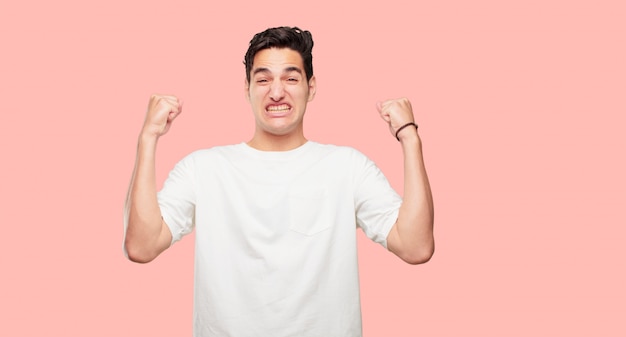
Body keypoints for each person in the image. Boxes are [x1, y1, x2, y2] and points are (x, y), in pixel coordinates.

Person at [124, 26, 434, 337]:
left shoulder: (347, 167)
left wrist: (410, 137)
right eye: (262, 79)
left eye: (290, 78)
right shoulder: (204, 168)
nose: (276, 92)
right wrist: (147, 138)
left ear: (311, 87)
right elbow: (141, 245)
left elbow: (415, 246)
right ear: (246, 88)